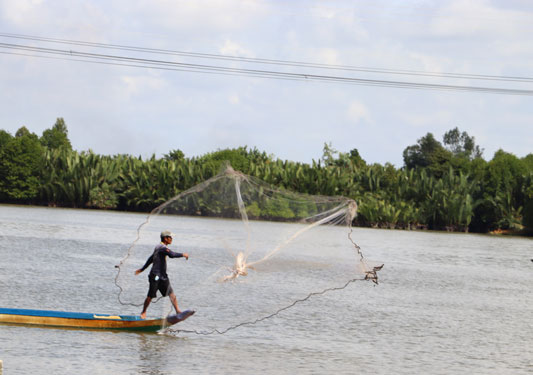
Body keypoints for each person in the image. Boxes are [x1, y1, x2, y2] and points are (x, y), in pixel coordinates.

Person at [135, 230, 189, 319]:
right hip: (155, 276)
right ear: (165, 238)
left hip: (163, 276)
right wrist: (183, 254)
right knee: (150, 295)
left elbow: (151, 258)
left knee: (171, 293)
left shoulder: (159, 247)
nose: (172, 239)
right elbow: (171, 254)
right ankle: (143, 312)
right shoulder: (162, 247)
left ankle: (178, 310)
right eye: (170, 237)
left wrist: (142, 269)